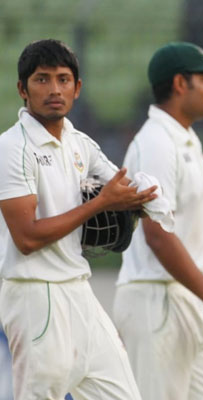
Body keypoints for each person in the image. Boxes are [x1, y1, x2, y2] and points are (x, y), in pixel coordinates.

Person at [0, 39, 156, 400]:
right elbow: (26, 238)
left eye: (63, 79)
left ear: (77, 87)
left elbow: (123, 185)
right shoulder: (12, 147)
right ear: (22, 89)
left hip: (79, 290)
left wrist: (145, 198)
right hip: (35, 294)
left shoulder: (78, 141)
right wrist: (101, 203)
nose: (54, 89)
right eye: (42, 79)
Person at [112, 42, 203, 400]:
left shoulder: (181, 136)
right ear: (179, 84)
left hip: (191, 296)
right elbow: (157, 236)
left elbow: (185, 185)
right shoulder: (156, 142)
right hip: (157, 299)